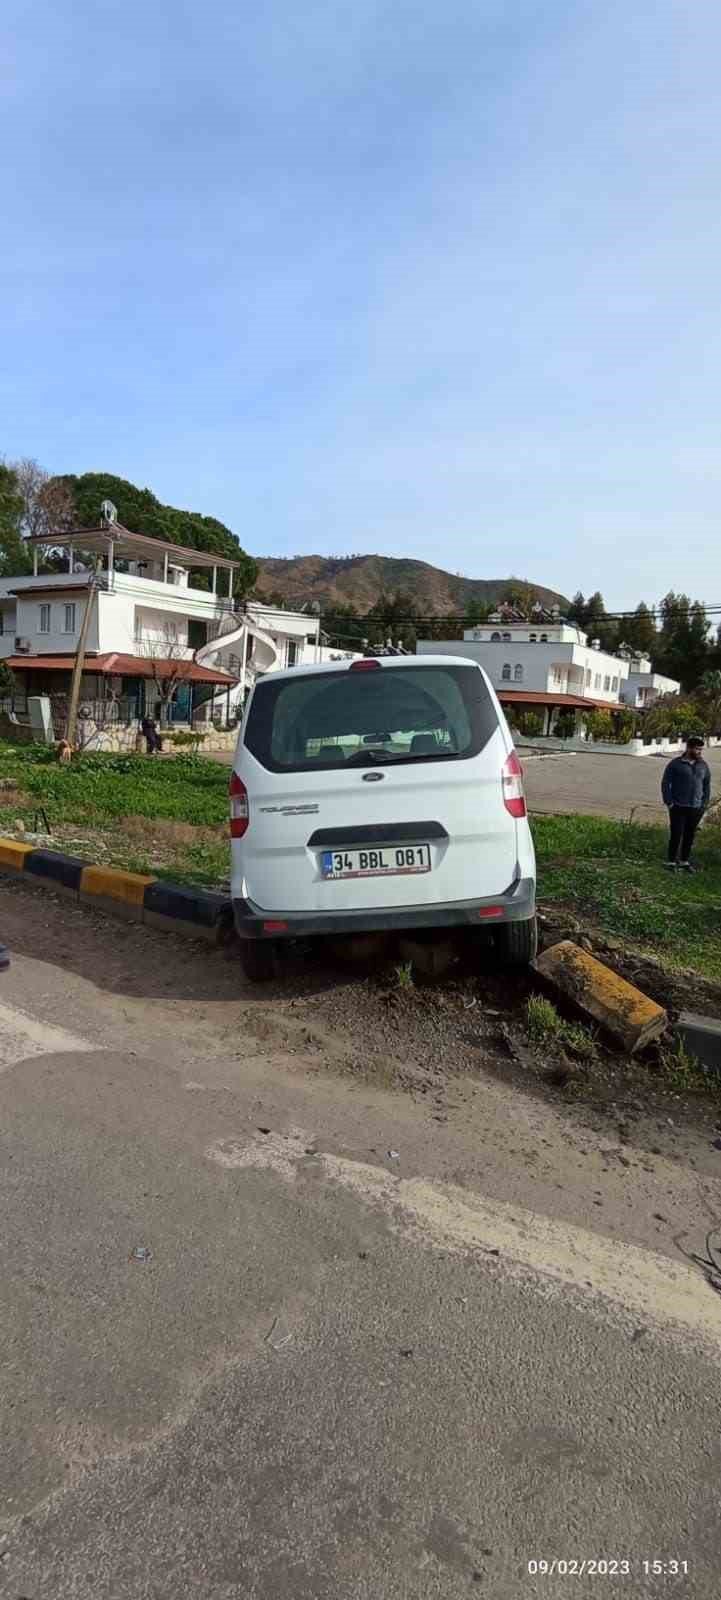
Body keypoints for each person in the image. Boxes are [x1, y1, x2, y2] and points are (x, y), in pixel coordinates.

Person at [661, 735, 711, 871]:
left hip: (696, 807)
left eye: (701, 749)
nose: (700, 752)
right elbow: (666, 783)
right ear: (689, 748)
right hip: (678, 806)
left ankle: (684, 861)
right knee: (676, 834)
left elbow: (706, 786)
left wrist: (703, 805)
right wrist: (669, 802)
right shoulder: (675, 764)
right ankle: (671, 862)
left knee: (689, 835)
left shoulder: (703, 765)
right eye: (697, 749)